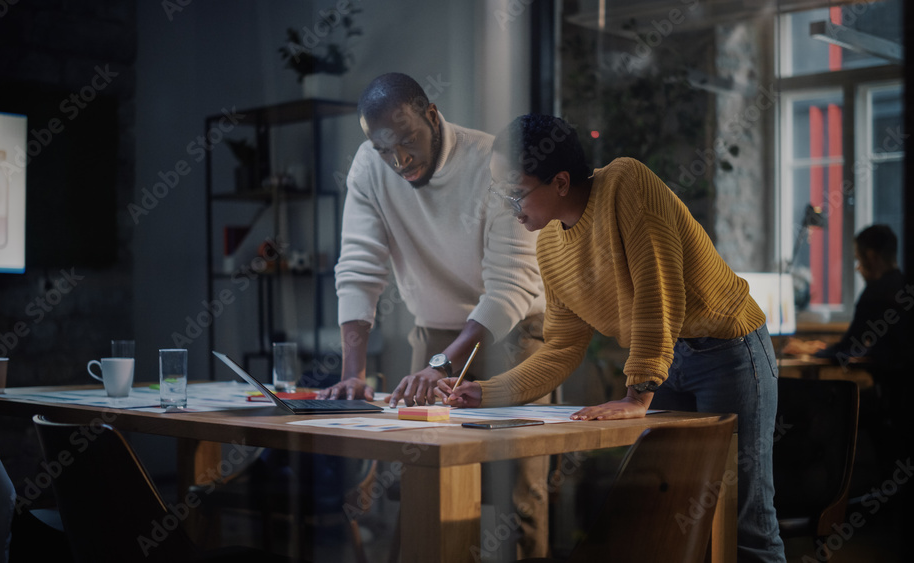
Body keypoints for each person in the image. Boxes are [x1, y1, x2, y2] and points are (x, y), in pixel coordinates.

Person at [441, 114, 787, 563]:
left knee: (746, 519)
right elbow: (562, 349)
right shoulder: (549, 246)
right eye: (499, 191)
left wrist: (638, 393)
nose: (508, 205)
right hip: (671, 360)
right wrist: (484, 393)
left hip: (729, 348)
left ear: (560, 181)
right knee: (681, 516)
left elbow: (658, 289)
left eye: (515, 191)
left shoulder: (626, 182)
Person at [318, 73, 549, 558]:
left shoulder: (493, 163)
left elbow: (510, 285)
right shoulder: (369, 168)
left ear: (431, 115)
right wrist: (352, 373)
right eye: (385, 150)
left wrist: (443, 363)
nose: (399, 161)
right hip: (435, 332)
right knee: (421, 479)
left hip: (514, 332)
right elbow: (359, 267)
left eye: (408, 142)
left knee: (515, 490)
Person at [782, 224, 904, 368]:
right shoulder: (903, 284)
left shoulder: (875, 293)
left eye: (859, 260)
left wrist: (809, 351)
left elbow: (848, 348)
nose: (857, 268)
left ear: (871, 257)